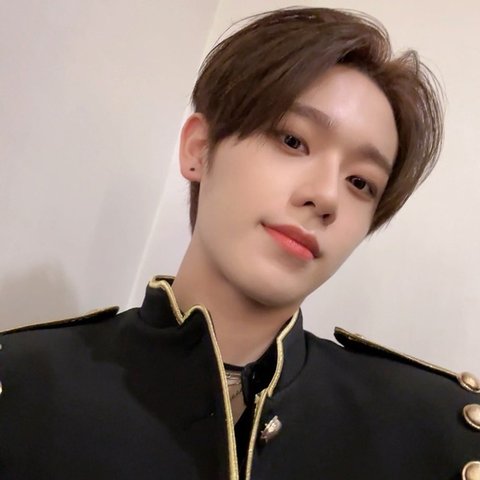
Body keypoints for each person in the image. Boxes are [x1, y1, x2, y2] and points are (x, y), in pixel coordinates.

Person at [0, 6, 478, 480]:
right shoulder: (23, 388)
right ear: (199, 149)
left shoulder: (442, 438)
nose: (326, 196)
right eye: (292, 140)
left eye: (360, 182)